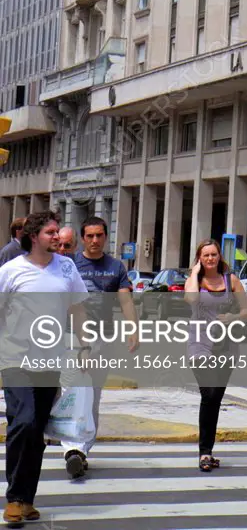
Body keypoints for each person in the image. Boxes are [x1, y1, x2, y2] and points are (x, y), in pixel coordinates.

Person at [0, 211, 88, 528]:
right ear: (34, 236)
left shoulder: (66, 268)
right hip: (15, 359)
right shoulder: (11, 271)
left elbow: (78, 307)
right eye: (51, 232)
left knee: (36, 431)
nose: (57, 237)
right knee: (22, 422)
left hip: (50, 360)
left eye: (57, 231)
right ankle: (13, 500)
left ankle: (27, 500)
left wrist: (85, 345)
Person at [62, 217, 140, 478]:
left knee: (93, 395)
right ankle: (72, 449)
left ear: (105, 237)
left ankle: (82, 450)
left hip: (105, 338)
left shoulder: (116, 267)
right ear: (82, 238)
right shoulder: (70, 264)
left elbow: (126, 301)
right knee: (73, 391)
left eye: (99, 236)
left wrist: (133, 328)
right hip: (74, 336)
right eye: (90, 236)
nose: (94, 241)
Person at [185, 239, 247, 471]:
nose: (210, 259)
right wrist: (194, 273)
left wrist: (233, 318)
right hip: (199, 344)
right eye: (205, 255)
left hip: (226, 345)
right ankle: (204, 452)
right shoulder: (194, 281)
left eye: (213, 254)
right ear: (199, 258)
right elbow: (191, 299)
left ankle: (208, 450)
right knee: (208, 394)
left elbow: (246, 310)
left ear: (219, 256)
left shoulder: (231, 280)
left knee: (215, 398)